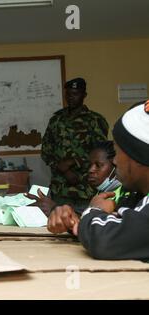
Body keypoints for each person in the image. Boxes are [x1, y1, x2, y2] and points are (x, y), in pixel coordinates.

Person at [47, 101, 149, 260]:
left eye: (116, 153)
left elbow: (106, 240)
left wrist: (94, 211)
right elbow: (120, 227)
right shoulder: (133, 194)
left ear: (137, 156)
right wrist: (75, 221)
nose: (114, 161)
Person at [41, 77, 109, 213]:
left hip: (86, 189)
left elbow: (102, 153)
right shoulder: (56, 120)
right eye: (68, 94)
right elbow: (46, 151)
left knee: (86, 226)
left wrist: (74, 162)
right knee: (57, 227)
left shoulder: (95, 120)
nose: (71, 98)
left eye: (75, 94)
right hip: (60, 189)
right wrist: (64, 169)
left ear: (84, 95)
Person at [28, 140, 142, 216]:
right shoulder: (103, 191)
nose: (91, 170)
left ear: (115, 165)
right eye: (90, 165)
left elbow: (95, 224)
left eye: (98, 165)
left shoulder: (120, 195)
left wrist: (54, 208)